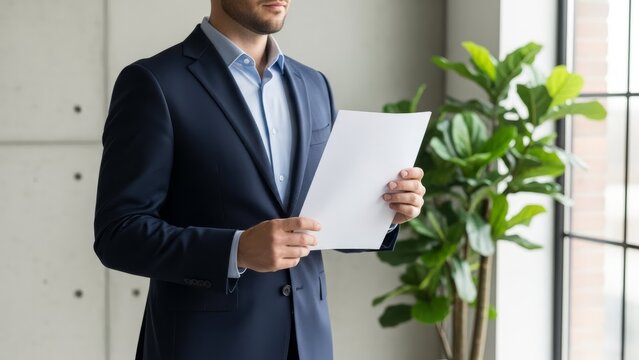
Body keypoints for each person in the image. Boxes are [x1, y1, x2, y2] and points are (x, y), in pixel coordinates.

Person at [93, 0, 426, 359]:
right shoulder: (154, 83)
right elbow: (119, 233)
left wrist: (385, 212)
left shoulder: (314, 85)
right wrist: (236, 250)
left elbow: (320, 218)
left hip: (306, 344)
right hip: (205, 347)